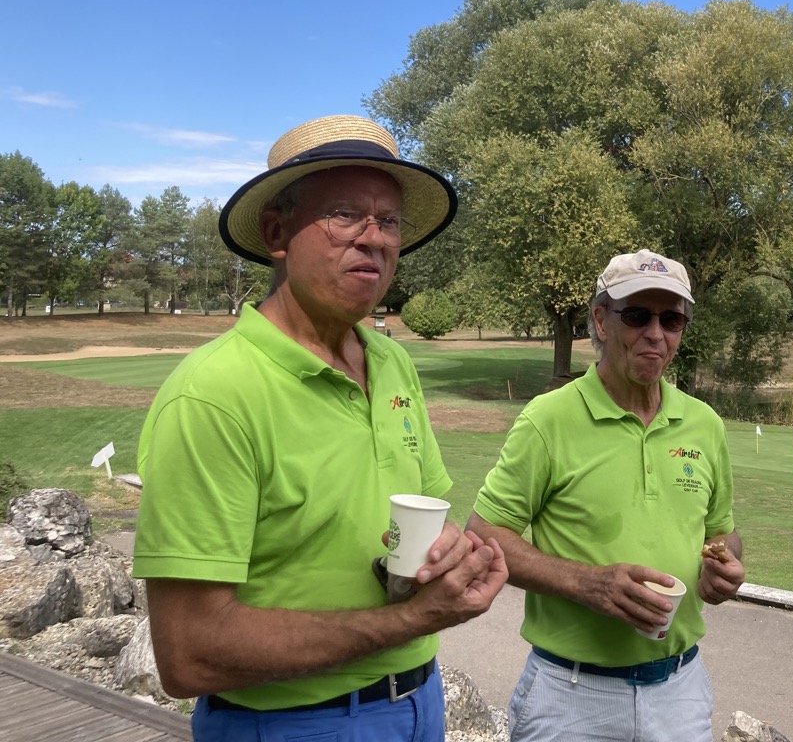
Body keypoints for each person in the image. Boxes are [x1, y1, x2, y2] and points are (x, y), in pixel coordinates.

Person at [132, 115, 508, 742]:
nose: (374, 239)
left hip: (421, 703)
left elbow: (427, 515)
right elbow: (189, 653)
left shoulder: (391, 362)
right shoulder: (213, 395)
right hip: (290, 724)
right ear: (276, 232)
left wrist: (450, 558)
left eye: (389, 221)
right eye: (344, 215)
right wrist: (413, 619)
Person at [465, 249, 745, 742]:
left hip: (679, 691)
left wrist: (723, 567)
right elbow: (484, 534)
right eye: (637, 316)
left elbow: (722, 533)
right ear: (600, 320)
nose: (656, 333)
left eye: (672, 319)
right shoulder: (549, 419)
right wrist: (587, 584)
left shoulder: (705, 424)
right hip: (571, 696)